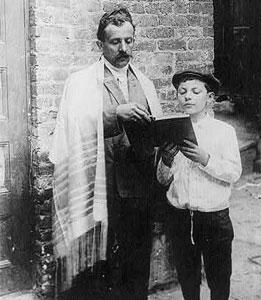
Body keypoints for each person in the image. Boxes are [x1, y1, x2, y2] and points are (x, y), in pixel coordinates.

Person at [50, 7, 163, 299]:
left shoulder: (146, 84)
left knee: (137, 262)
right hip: (101, 188)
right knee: (102, 268)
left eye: (129, 40)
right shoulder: (81, 82)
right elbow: (73, 128)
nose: (124, 48)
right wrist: (115, 114)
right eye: (115, 42)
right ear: (100, 44)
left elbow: (155, 133)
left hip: (139, 188)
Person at [157, 70, 242, 300]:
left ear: (210, 98)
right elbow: (163, 179)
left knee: (219, 278)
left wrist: (205, 159)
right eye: (182, 92)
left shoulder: (223, 132)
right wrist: (165, 159)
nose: (188, 97)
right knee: (187, 276)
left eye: (196, 92)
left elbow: (234, 172)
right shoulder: (171, 130)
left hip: (214, 218)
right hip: (181, 216)